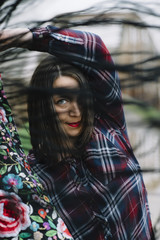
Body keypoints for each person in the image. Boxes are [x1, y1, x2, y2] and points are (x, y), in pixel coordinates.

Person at [0, 26, 155, 239]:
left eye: (80, 98)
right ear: (43, 108)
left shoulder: (109, 129)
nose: (76, 111)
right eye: (62, 100)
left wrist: (30, 37)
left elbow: (95, 49)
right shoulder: (35, 176)